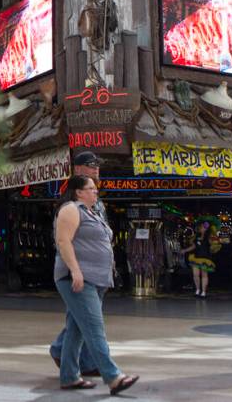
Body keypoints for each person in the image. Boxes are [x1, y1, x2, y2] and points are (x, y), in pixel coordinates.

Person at [53, 175, 139, 394]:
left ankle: (69, 376)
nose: (95, 191)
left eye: (95, 188)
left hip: (96, 279)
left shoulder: (93, 212)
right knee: (94, 328)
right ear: (78, 192)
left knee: (76, 329)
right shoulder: (70, 209)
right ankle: (113, 377)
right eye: (90, 188)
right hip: (80, 279)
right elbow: (63, 241)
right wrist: (75, 271)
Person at [49, 151, 103, 375]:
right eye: (91, 166)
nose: (96, 169)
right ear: (78, 169)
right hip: (80, 268)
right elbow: (63, 239)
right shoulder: (71, 204)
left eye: (97, 166)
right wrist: (75, 268)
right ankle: (101, 367)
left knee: (81, 317)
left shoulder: (95, 201)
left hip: (94, 269)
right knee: (90, 317)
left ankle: (66, 355)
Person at [182, 221, 216, 298]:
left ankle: (203, 292)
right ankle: (197, 290)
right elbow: (194, 246)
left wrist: (213, 242)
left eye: (202, 227)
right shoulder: (197, 236)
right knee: (195, 275)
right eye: (200, 227)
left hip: (205, 258)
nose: (200, 228)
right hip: (196, 258)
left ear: (206, 229)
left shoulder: (209, 237)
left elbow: (213, 245)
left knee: (204, 275)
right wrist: (185, 250)